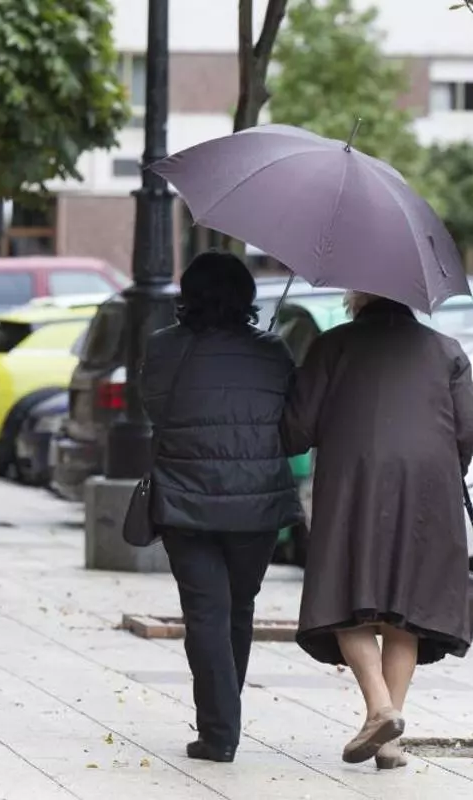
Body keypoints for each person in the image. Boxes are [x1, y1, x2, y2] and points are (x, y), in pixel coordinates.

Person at [282, 290, 473, 769]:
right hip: (428, 490)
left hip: (352, 484)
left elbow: (297, 429)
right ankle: (389, 739)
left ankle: (380, 710)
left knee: (345, 598)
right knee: (405, 608)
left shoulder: (333, 345)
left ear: (358, 300)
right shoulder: (446, 350)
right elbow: (470, 429)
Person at [141, 250, 304, 764]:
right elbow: (293, 422)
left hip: (184, 500)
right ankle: (223, 721)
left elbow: (154, 408)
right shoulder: (272, 351)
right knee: (238, 607)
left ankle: (219, 731)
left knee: (205, 613)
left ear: (187, 295)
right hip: (256, 506)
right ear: (246, 297)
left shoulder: (163, 347)